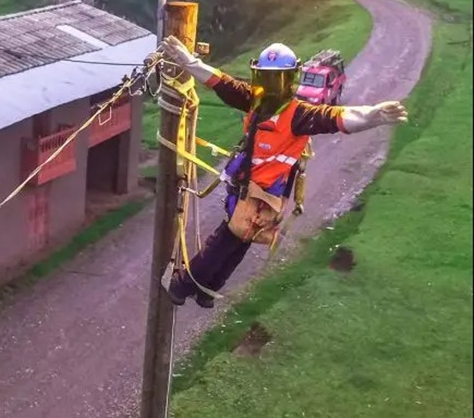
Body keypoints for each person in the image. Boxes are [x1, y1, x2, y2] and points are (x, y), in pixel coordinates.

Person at [153, 36, 408, 308]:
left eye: (277, 80)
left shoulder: (298, 115)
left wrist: (371, 117)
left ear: (291, 80)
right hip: (265, 195)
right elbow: (221, 82)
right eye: (265, 79)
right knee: (241, 240)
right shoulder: (255, 101)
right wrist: (190, 63)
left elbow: (337, 117)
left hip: (257, 194)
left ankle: (182, 286)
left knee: (227, 239)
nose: (269, 86)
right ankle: (208, 291)